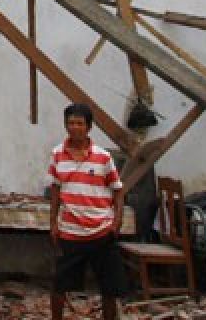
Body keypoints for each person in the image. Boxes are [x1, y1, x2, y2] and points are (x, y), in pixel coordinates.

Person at [47, 103, 127, 320]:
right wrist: (53, 223)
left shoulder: (103, 157)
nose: (74, 127)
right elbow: (55, 190)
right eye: (70, 123)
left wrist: (116, 222)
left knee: (109, 289)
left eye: (79, 123)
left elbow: (118, 191)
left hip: (102, 232)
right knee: (59, 285)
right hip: (70, 233)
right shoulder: (57, 155)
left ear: (89, 127)